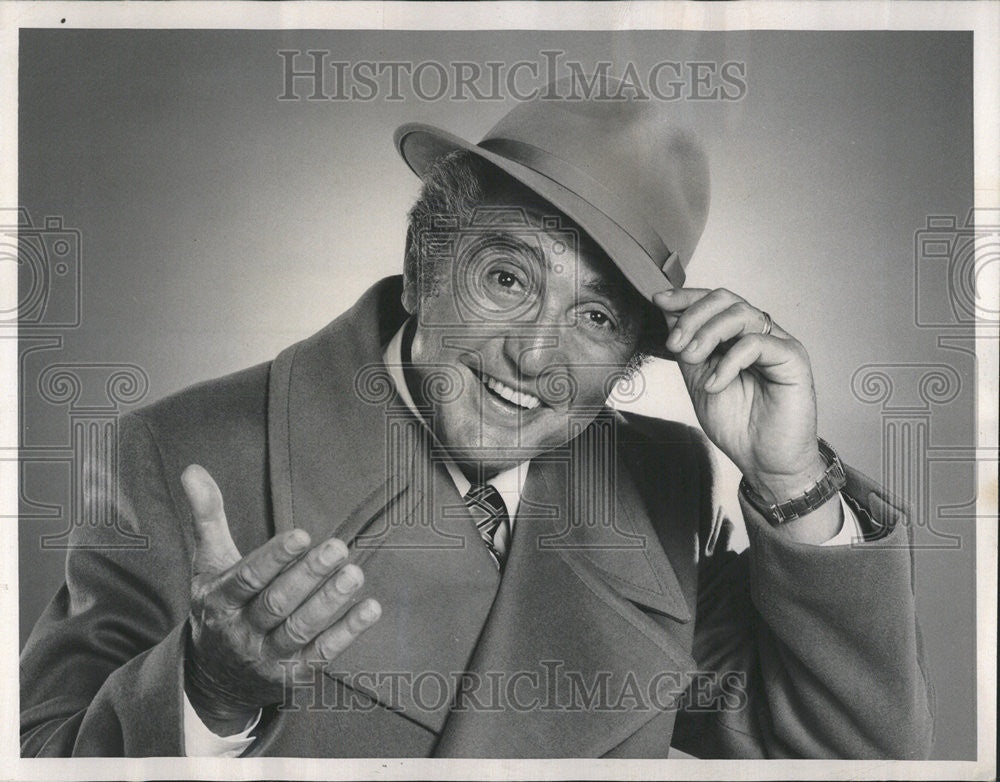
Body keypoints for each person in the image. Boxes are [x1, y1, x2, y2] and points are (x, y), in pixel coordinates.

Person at [20, 76, 934, 759]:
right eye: (507, 279)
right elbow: (45, 759)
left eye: (596, 316)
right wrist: (207, 690)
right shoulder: (183, 453)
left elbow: (853, 757)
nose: (535, 359)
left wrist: (791, 478)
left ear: (628, 361)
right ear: (422, 267)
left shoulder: (663, 481)